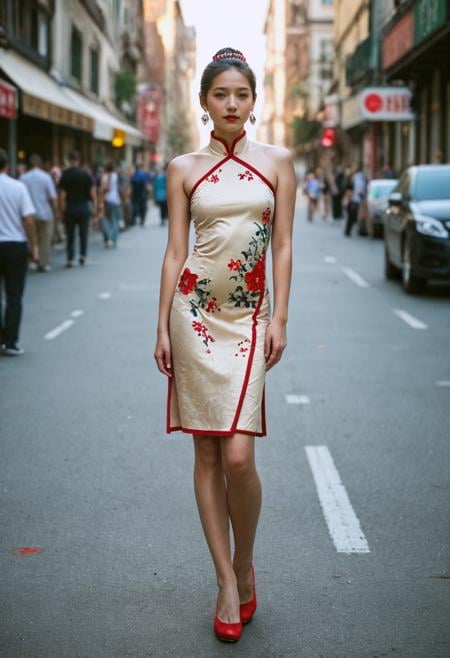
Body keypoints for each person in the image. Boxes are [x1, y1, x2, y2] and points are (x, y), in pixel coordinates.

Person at [154, 47, 296, 643]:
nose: (232, 104)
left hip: (249, 319)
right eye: (220, 95)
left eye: (241, 94)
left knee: (240, 457)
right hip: (194, 315)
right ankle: (226, 581)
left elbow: (283, 245)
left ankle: (246, 560)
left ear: (254, 100)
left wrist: (279, 318)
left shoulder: (279, 162)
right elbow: (174, 251)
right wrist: (162, 323)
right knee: (207, 455)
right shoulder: (184, 167)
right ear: (205, 101)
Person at [0, 148, 37, 355]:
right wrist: (34, 246)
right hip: (14, 244)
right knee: (14, 295)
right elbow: (28, 220)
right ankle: (10, 341)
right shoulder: (17, 187)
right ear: (6, 165)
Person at [58, 150, 96, 267]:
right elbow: (92, 193)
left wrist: (61, 210)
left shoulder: (65, 174)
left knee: (70, 233)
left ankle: (69, 258)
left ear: (69, 160)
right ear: (78, 160)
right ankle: (82, 256)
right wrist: (95, 207)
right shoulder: (85, 175)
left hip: (70, 206)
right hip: (83, 206)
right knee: (83, 232)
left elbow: (62, 195)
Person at [21, 154, 57, 271]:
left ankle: (33, 259)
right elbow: (52, 197)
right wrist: (55, 210)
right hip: (44, 212)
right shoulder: (46, 177)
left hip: (28, 214)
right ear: (40, 164)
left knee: (31, 238)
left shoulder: (23, 178)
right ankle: (43, 262)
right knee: (45, 239)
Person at [100, 161, 122, 247]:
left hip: (106, 200)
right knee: (114, 220)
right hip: (115, 200)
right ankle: (112, 238)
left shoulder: (104, 177)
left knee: (107, 219)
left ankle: (108, 237)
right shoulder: (116, 176)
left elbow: (102, 189)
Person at [344, 163, 366, 237]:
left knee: (352, 216)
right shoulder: (358, 178)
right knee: (352, 215)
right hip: (355, 199)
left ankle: (349, 230)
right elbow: (350, 188)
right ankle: (348, 230)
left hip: (355, 199)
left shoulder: (356, 178)